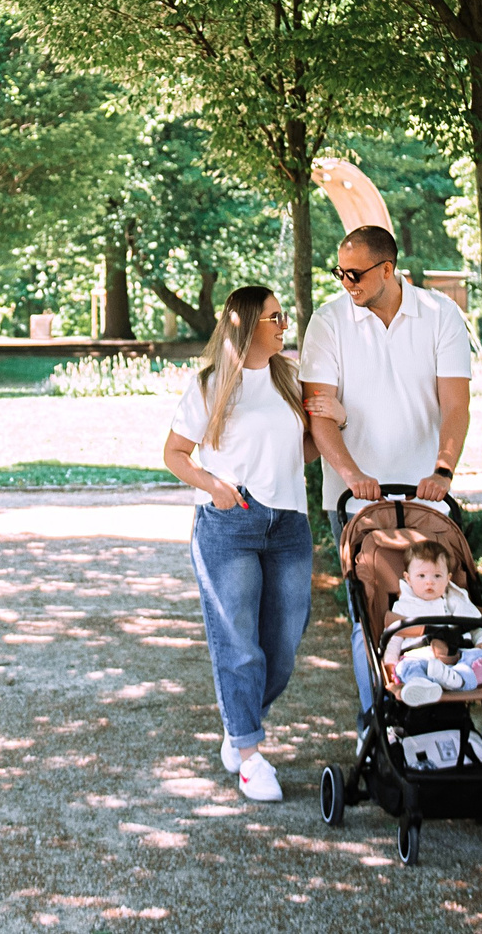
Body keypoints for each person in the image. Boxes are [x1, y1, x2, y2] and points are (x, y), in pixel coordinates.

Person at [162, 284, 318, 803]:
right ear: (247, 326)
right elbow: (176, 453)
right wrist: (215, 487)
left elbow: (302, 453)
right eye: (273, 318)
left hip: (289, 524)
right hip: (232, 524)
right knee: (239, 644)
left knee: (285, 642)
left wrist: (332, 429)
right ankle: (249, 755)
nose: (282, 326)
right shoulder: (211, 385)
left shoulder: (289, 379)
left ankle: (238, 724)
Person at [300, 224, 473, 505]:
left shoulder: (441, 314)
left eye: (355, 275)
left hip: (427, 496)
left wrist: (443, 471)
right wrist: (352, 476)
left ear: (386, 269)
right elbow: (319, 414)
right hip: (351, 499)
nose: (346, 283)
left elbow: (456, 405)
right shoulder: (327, 322)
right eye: (340, 273)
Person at [383, 546, 482, 706]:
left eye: (437, 576)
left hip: (459, 659)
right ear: (408, 579)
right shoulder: (403, 607)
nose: (429, 582)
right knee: (405, 667)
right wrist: (390, 663)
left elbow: (478, 625)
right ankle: (422, 685)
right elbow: (394, 639)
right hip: (420, 658)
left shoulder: (457, 601)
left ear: (448, 579)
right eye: (421, 576)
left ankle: (456, 680)